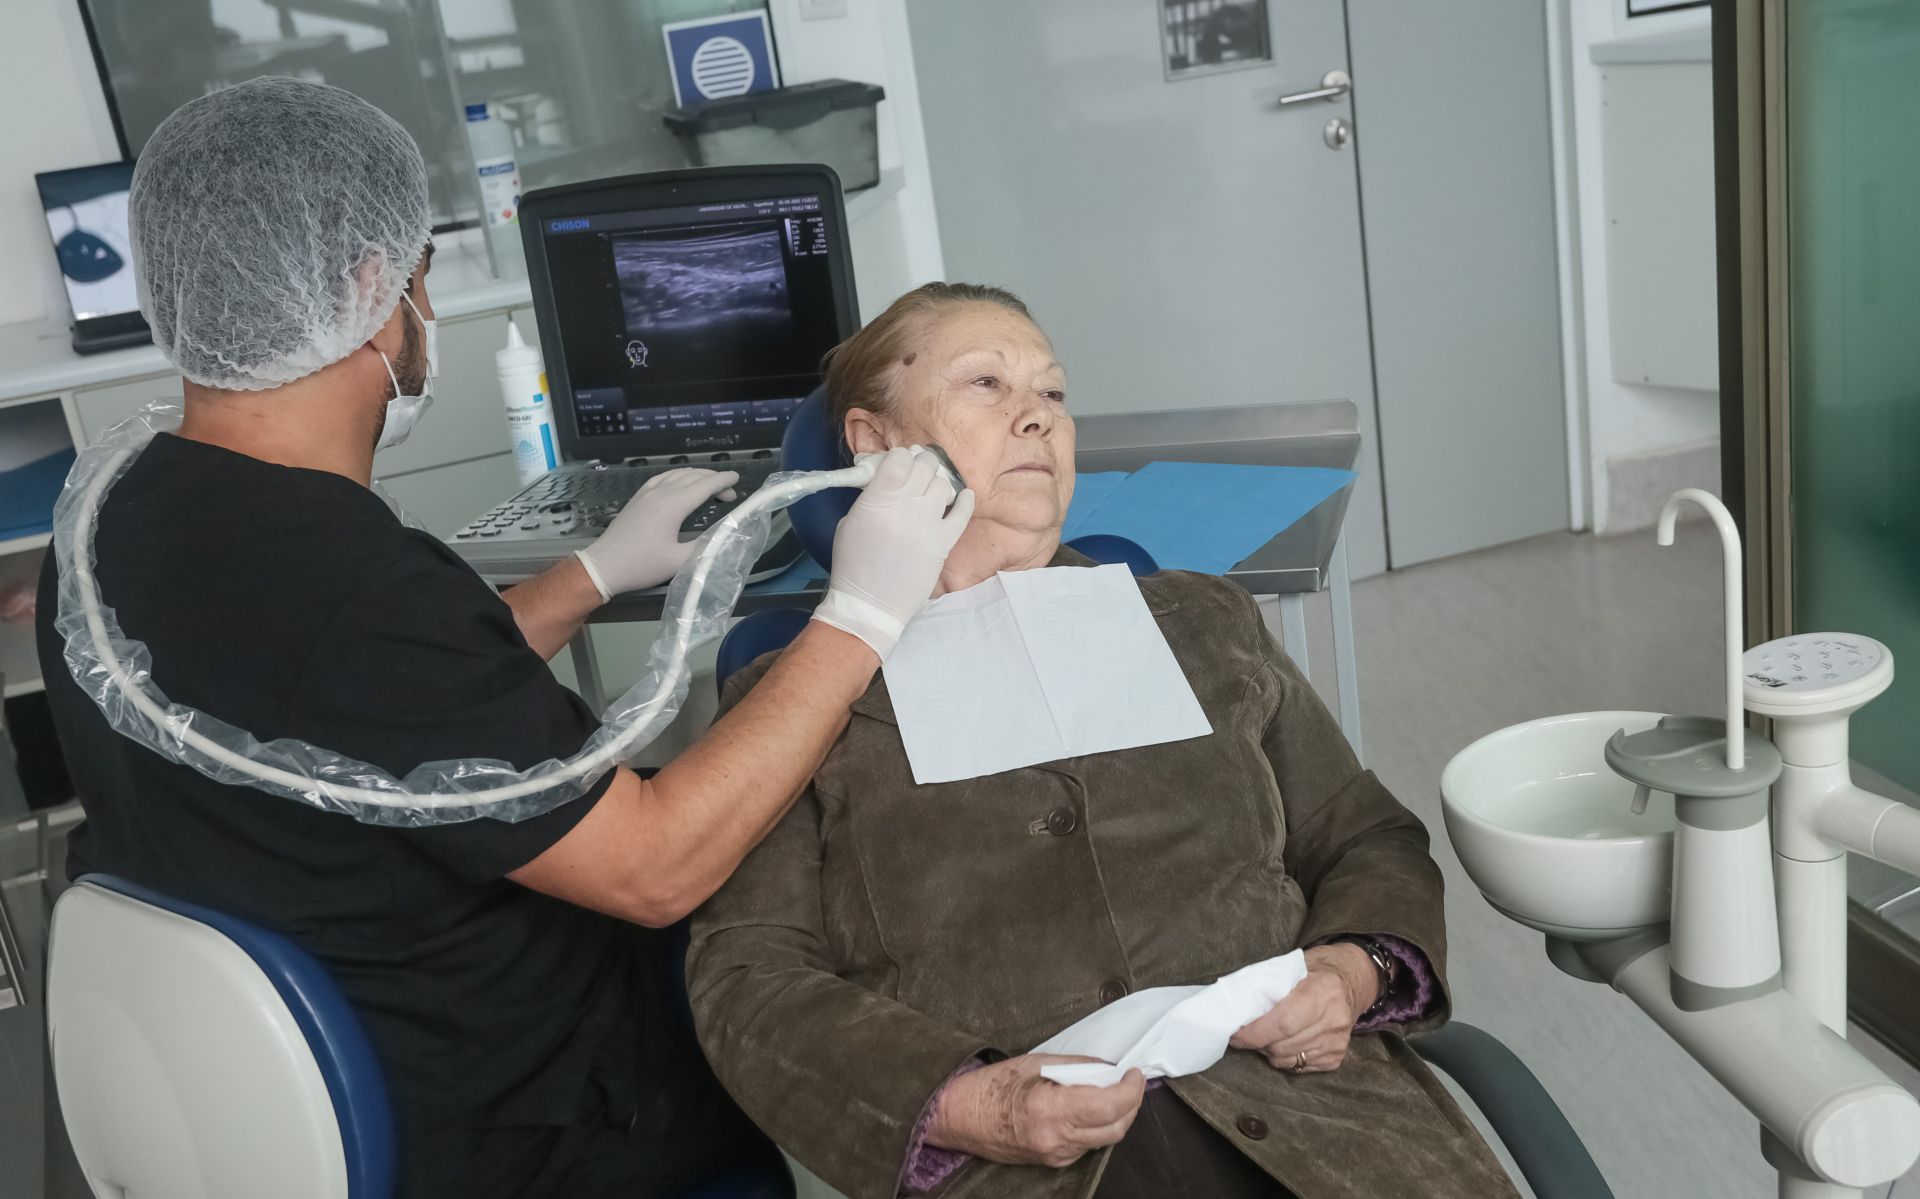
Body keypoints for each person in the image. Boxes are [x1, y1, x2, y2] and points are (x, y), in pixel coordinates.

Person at [33, 79, 970, 1199]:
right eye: (420, 272)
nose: (422, 304)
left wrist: (588, 575)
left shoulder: (110, 515)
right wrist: (860, 612)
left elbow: (358, 726)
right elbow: (657, 865)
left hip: (256, 1093)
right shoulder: (359, 589)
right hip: (518, 1126)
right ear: (372, 288)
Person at [688, 283, 1519, 1198]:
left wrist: (1351, 968)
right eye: (986, 384)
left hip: (1316, 1122)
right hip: (1025, 1162)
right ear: (876, 441)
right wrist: (966, 1104)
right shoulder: (792, 708)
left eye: (1052, 392)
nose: (1037, 416)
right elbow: (746, 978)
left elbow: (1366, 834)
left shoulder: (1202, 623)